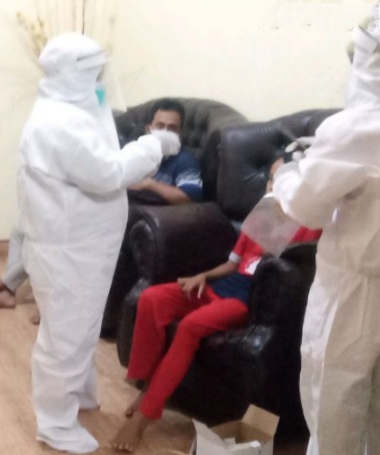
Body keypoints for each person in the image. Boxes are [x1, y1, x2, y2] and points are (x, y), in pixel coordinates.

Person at [18, 33, 179, 453]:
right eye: (94, 73)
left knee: (81, 326)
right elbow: (108, 173)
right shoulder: (58, 122)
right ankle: (55, 422)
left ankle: (80, 395)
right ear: (73, 74)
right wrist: (154, 144)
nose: (101, 81)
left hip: (82, 245)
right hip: (68, 249)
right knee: (66, 336)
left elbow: (102, 127)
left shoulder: (74, 105)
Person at [110, 157, 321, 453]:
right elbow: (233, 265)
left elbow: (285, 272)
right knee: (152, 299)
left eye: (282, 179)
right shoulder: (261, 213)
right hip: (222, 285)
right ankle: (145, 387)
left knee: (190, 327)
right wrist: (203, 276)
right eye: (271, 179)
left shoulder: (309, 225)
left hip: (247, 299)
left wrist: (285, 219)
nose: (273, 186)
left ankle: (144, 417)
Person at [0, 99, 201, 321]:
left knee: (52, 235)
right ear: (149, 128)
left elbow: (188, 196)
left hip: (136, 217)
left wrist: (150, 184)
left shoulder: (184, 162)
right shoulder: (134, 150)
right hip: (106, 207)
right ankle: (9, 288)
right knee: (24, 227)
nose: (165, 133)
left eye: (172, 128)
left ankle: (8, 288)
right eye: (160, 126)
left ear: (180, 133)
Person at [272, 11, 380, 455]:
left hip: (353, 292)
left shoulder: (358, 126)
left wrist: (283, 176)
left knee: (333, 409)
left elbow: (306, 208)